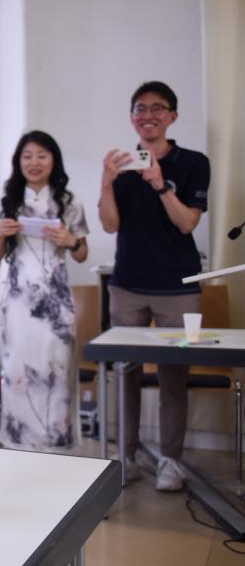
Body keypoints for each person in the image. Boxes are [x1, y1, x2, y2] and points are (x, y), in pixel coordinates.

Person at [98, 81, 209, 491]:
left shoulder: (193, 163)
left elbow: (187, 223)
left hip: (178, 287)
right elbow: (110, 224)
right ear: (132, 117)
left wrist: (160, 183)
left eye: (158, 108)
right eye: (141, 109)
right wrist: (106, 181)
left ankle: (171, 461)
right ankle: (125, 457)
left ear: (172, 116)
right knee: (124, 373)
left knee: (172, 377)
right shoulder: (123, 166)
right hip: (127, 285)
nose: (149, 116)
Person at [0, 130, 89, 451]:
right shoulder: (7, 202)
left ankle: (56, 444)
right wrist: (1, 234)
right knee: (17, 368)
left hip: (55, 301)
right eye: (28, 156)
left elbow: (82, 253)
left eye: (42, 156)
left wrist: (69, 241)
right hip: (18, 301)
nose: (34, 162)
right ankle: (18, 443)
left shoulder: (69, 202)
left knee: (56, 367)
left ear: (53, 161)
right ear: (18, 162)